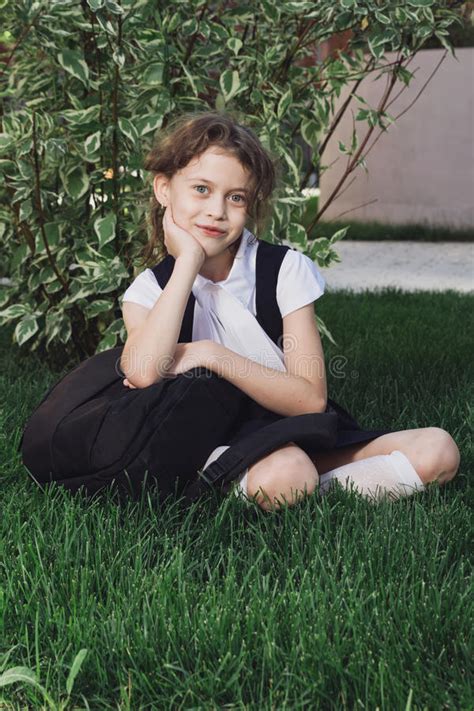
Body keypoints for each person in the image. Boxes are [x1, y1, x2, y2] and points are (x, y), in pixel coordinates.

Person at [119, 110, 460, 512]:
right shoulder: (150, 290)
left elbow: (310, 399)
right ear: (163, 189)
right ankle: (280, 484)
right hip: (208, 442)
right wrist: (188, 262)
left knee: (438, 450)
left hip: (295, 430)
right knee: (288, 473)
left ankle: (303, 490)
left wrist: (208, 353)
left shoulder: (284, 270)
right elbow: (142, 371)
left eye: (236, 197)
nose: (217, 210)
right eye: (201, 189)